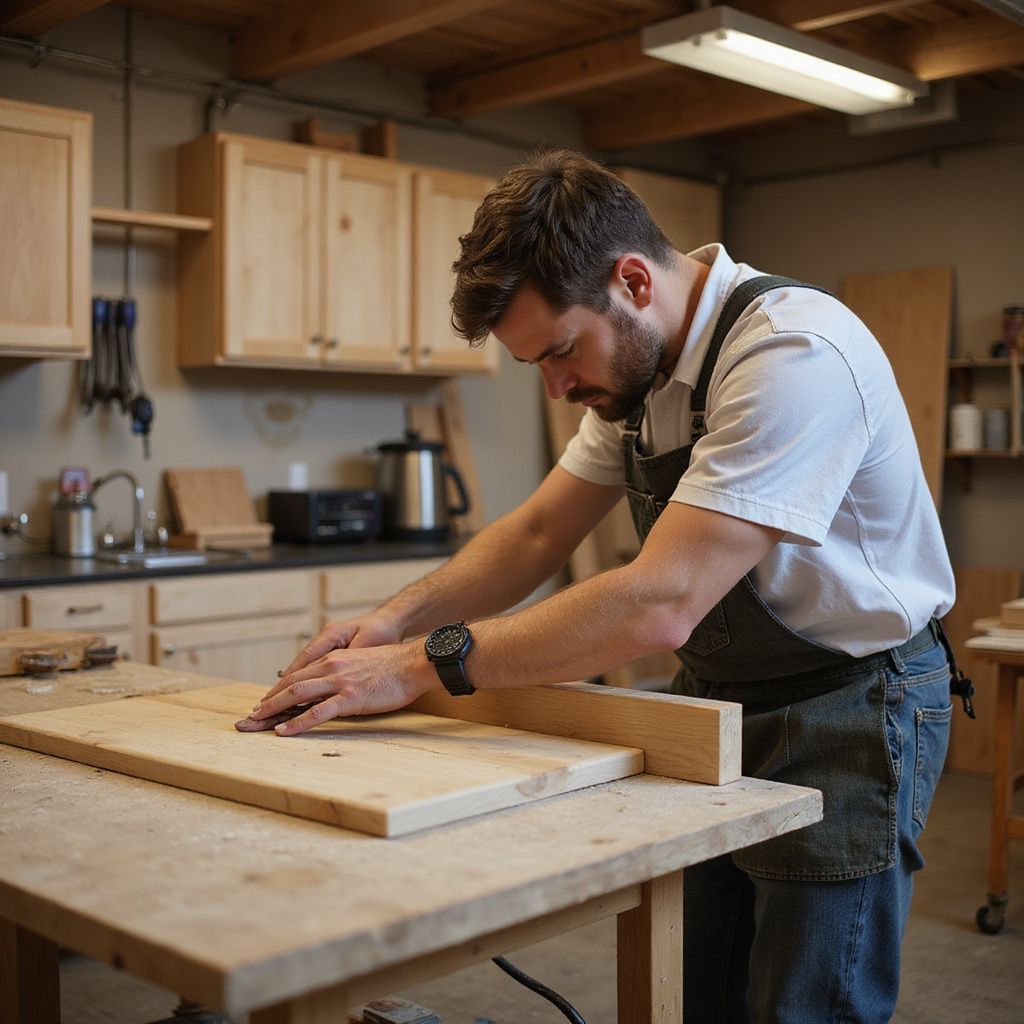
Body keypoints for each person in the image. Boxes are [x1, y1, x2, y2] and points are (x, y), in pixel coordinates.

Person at [244, 149, 965, 1023]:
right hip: (724, 699)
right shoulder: (639, 373)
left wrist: (419, 666)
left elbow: (663, 601)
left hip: (854, 702)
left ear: (631, 281)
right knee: (697, 981)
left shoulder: (791, 354)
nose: (558, 387)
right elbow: (539, 531)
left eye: (559, 352)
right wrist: (389, 624)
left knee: (808, 1003)